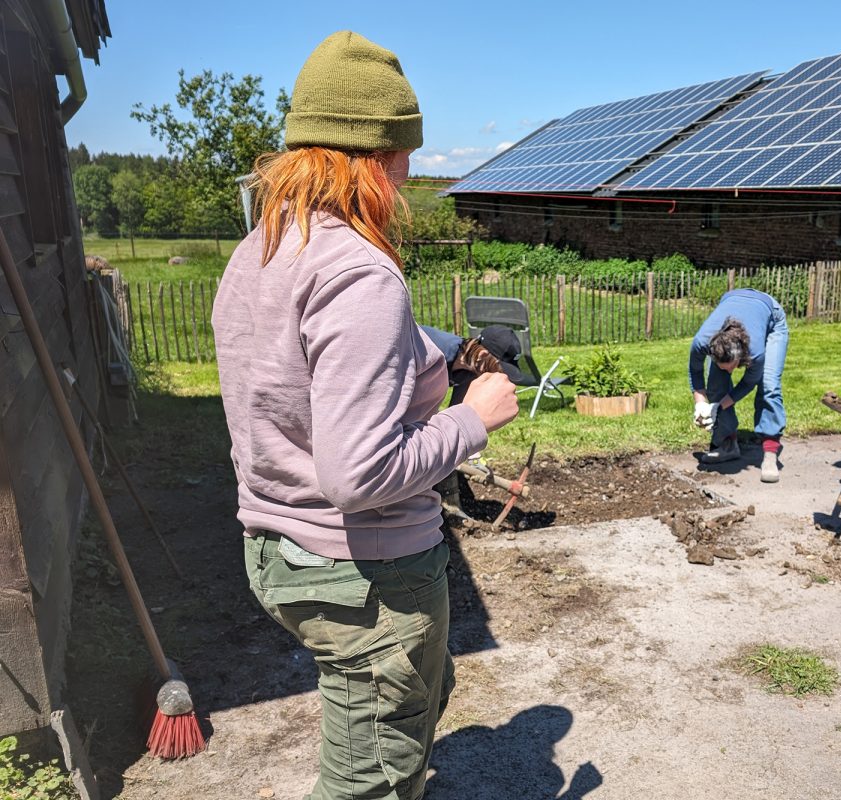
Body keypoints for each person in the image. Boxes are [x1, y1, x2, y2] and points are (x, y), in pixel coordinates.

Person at [211, 31, 518, 800]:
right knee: (372, 783)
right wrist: (474, 416)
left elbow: (309, 360)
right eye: (405, 152)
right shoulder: (360, 272)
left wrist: (438, 350)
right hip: (365, 571)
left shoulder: (262, 248)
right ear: (382, 155)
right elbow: (360, 473)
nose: (411, 171)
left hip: (279, 548)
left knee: (414, 692)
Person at [689, 288, 789, 483]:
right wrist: (701, 404)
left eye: (732, 367)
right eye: (723, 366)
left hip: (771, 318)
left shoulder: (755, 351)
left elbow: (749, 383)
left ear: (741, 357)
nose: (729, 372)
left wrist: (719, 407)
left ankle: (769, 451)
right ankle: (728, 444)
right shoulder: (702, 342)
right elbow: (695, 371)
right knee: (716, 384)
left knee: (769, 386)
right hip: (734, 300)